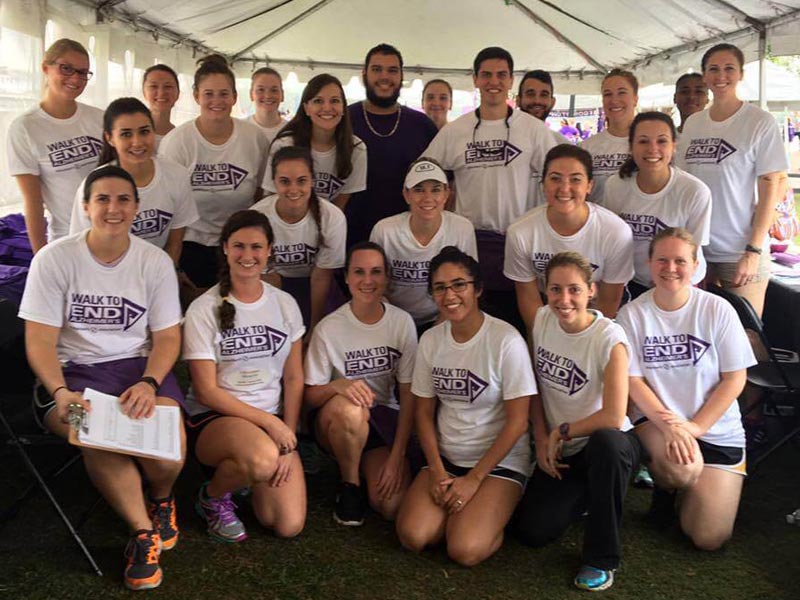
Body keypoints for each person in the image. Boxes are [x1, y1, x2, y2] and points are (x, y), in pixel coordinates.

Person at [19, 165, 185, 591]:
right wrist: (59, 392)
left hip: (138, 367)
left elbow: (167, 338)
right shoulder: (54, 258)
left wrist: (149, 383)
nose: (114, 208)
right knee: (95, 434)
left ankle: (163, 498)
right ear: (86, 205)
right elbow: (39, 340)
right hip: (74, 372)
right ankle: (142, 532)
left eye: (124, 199)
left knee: (168, 454)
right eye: (104, 199)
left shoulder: (155, 261)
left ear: (136, 207)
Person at [616, 228, 756, 551]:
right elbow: (633, 382)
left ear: (695, 266)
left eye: (680, 260)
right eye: (662, 259)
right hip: (659, 425)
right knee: (681, 471)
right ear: (649, 263)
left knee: (709, 538)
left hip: (716, 430)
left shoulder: (717, 310)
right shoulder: (632, 315)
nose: (670, 268)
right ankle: (668, 490)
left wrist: (694, 428)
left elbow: (735, 379)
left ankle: (694, 492)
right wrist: (672, 426)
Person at [395, 246, 535, 566]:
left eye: (459, 284)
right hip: (447, 458)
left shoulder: (505, 340)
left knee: (464, 550)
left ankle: (497, 508)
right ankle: (467, 510)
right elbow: (423, 413)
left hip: (497, 464)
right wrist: (437, 471)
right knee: (414, 536)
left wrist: (474, 480)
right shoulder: (431, 340)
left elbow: (517, 422)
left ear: (478, 288)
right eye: (440, 288)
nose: (450, 295)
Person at [514, 251, 638, 592]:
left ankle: (601, 558)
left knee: (608, 445)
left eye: (573, 290)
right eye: (555, 290)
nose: (563, 299)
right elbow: (533, 384)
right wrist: (541, 437)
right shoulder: (541, 319)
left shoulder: (609, 339)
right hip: (562, 451)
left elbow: (614, 415)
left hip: (605, 445)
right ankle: (588, 495)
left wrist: (561, 431)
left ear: (591, 291)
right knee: (532, 532)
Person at [183, 209, 306, 543]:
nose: (247, 256)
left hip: (271, 424)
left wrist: (289, 440)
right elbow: (206, 392)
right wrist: (271, 426)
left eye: (256, 247)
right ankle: (212, 498)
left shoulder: (285, 304)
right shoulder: (203, 309)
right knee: (263, 460)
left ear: (269, 251)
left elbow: (294, 378)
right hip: (216, 419)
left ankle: (246, 476)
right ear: (224, 248)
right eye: (239, 246)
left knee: (285, 523)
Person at [424, 47, 556, 332]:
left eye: (501, 75)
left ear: (511, 81)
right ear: (475, 79)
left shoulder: (533, 130)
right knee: (470, 324)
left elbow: (558, 178)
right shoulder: (455, 131)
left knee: (518, 324)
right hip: (470, 242)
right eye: (486, 75)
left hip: (518, 240)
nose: (493, 81)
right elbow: (425, 175)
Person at [304, 241, 418, 525]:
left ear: (386, 277)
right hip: (336, 419)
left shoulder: (402, 323)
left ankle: (369, 464)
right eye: (359, 272)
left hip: (380, 420)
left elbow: (408, 394)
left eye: (376, 272)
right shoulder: (329, 328)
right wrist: (336, 387)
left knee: (391, 506)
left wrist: (397, 456)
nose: (368, 280)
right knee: (350, 409)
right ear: (346, 277)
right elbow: (309, 396)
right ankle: (350, 485)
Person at [676, 43, 788, 317]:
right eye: (713, 69)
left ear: (741, 74)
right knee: (704, 333)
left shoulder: (759, 121)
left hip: (738, 250)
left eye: (729, 68)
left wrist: (753, 250)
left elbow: (771, 184)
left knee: (745, 337)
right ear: (705, 76)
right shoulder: (693, 124)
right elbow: (681, 183)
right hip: (698, 250)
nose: (721, 75)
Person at [160, 54, 268, 292]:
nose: (216, 101)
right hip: (191, 245)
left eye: (223, 94)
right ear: (196, 96)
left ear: (234, 97)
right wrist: (174, 265)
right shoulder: (177, 142)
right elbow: (167, 206)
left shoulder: (254, 138)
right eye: (209, 94)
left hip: (240, 245)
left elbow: (261, 194)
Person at [504, 144, 634, 333]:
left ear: (589, 185)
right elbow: (529, 298)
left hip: (597, 313)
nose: (564, 188)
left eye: (575, 180)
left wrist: (584, 338)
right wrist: (543, 339)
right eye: (555, 178)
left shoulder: (615, 232)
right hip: (549, 311)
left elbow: (609, 298)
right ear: (543, 184)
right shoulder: (521, 232)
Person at [69, 97, 198, 264]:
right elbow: (82, 250)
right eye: (126, 134)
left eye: (144, 132)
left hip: (156, 273)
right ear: (110, 138)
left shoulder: (176, 176)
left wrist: (160, 280)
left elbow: (175, 243)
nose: (137, 142)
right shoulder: (94, 185)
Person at [7, 38, 103, 251]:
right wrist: (41, 257)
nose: (75, 78)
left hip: (110, 235)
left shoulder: (99, 119)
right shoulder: (25, 128)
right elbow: (33, 202)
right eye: (66, 69)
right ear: (45, 68)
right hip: (66, 240)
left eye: (82, 72)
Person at [603, 111, 711, 296]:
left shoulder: (694, 191)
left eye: (662, 141)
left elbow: (692, 253)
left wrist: (667, 283)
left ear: (674, 146)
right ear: (631, 147)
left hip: (680, 284)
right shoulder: (616, 186)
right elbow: (611, 243)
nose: (653, 149)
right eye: (643, 141)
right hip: (632, 283)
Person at [346, 43, 439, 248]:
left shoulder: (422, 126)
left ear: (401, 76)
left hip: (410, 244)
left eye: (392, 70)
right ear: (364, 74)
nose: (384, 77)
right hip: (351, 240)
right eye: (377, 69)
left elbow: (443, 184)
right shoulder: (343, 120)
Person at [370, 158, 477, 333]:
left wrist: (435, 331)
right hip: (393, 318)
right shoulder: (384, 231)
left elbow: (467, 288)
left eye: (435, 190)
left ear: (446, 193)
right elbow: (375, 286)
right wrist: (396, 324)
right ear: (406, 195)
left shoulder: (462, 228)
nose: (428, 198)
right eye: (419, 190)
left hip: (444, 317)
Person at [252, 145, 346, 334]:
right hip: (274, 283)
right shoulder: (257, 217)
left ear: (312, 181)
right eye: (285, 181)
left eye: (301, 181)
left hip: (314, 281)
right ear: (274, 183)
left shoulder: (332, 217)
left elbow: (322, 276)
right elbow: (266, 277)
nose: (293, 189)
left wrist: (314, 328)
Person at [265, 73, 366, 209]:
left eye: (335, 101)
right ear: (306, 108)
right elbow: (271, 196)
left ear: (343, 108)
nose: (327, 108)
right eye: (318, 101)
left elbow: (340, 203)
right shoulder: (284, 145)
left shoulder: (357, 149)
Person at [582, 69, 639, 203]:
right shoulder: (587, 146)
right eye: (607, 94)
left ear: (635, 99)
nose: (614, 100)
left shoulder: (649, 144)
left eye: (622, 93)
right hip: (598, 222)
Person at [516, 69, 569, 208]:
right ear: (518, 100)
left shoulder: (564, 146)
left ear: (552, 102)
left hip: (546, 225)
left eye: (544, 95)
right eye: (530, 94)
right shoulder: (504, 140)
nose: (537, 100)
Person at [142, 64, 180, 148]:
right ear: (144, 92)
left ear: (178, 93)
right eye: (153, 86)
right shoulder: (133, 133)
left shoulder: (181, 137)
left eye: (168, 86)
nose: (161, 93)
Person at [245, 67, 286, 145]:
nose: (268, 96)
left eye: (274, 90)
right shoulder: (239, 129)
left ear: (282, 95)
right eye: (261, 90)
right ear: (251, 94)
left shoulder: (292, 132)